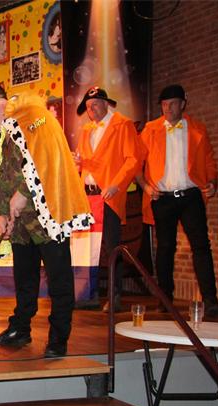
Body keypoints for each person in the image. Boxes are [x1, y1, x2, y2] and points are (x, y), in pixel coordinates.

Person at [0, 83, 93, 358]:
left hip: (48, 214)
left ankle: (58, 338)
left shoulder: (36, 116)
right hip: (20, 224)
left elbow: (47, 158)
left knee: (59, 279)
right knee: (24, 279)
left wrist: (24, 193)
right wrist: (1, 212)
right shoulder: (2, 132)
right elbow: (1, 174)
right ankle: (20, 329)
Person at [137, 84, 218, 317]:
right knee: (165, 248)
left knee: (201, 246)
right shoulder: (150, 129)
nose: (168, 108)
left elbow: (209, 160)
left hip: (191, 196)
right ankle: (165, 299)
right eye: (164, 104)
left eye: (173, 103)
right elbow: (136, 162)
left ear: (183, 104)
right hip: (162, 198)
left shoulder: (197, 129)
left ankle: (211, 300)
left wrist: (212, 181)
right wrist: (146, 187)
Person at [74, 87, 145, 312]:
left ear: (106, 103)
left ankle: (115, 295)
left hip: (109, 194)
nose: (91, 109)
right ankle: (88, 294)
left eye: (95, 104)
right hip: (88, 195)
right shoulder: (86, 130)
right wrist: (78, 163)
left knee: (112, 245)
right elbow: (84, 160)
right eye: (88, 107)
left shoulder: (122, 125)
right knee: (88, 246)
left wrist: (116, 184)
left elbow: (133, 159)